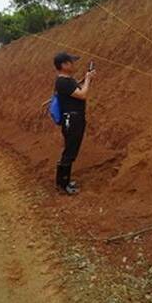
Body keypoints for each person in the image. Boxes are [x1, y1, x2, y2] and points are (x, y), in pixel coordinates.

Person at [53, 51, 96, 195]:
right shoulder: (63, 82)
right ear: (64, 65)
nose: (73, 64)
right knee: (70, 152)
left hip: (73, 119)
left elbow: (77, 90)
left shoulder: (67, 81)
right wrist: (88, 80)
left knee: (71, 150)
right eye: (71, 61)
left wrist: (86, 79)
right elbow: (82, 95)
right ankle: (63, 185)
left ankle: (63, 182)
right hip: (72, 120)